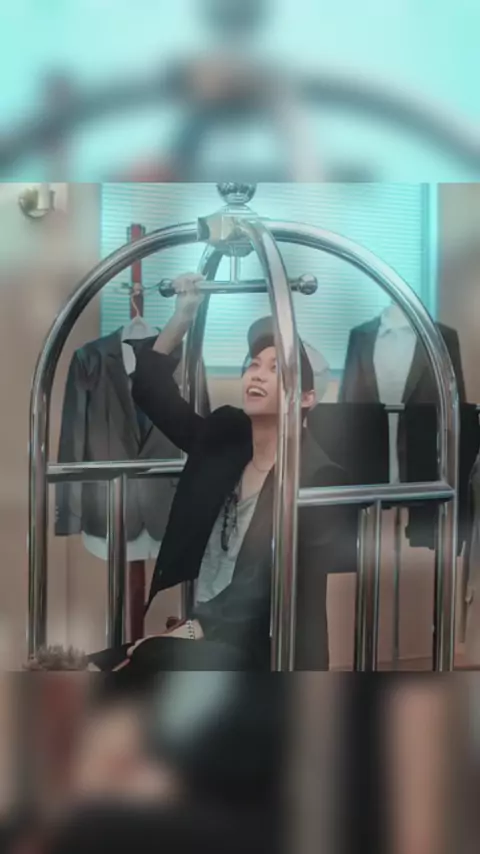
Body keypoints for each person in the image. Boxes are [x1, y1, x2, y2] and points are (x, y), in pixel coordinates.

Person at [90, 272, 347, 674]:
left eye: (276, 368)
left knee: (145, 659)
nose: (257, 374)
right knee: (91, 663)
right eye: (253, 364)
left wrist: (186, 632)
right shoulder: (226, 442)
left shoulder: (316, 477)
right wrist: (183, 316)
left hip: (267, 648)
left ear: (307, 398)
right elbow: (151, 392)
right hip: (209, 639)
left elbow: (261, 589)